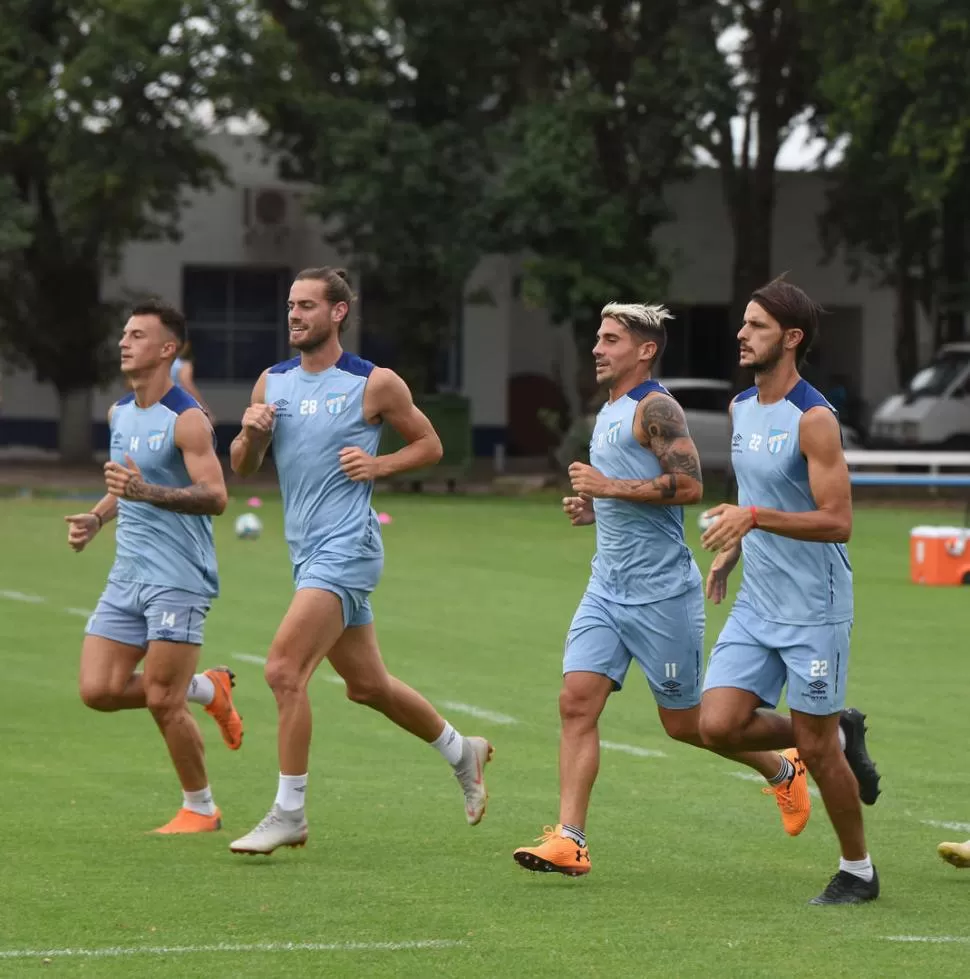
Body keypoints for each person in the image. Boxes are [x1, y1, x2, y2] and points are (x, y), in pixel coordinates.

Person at [513, 302, 813, 878]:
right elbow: (629, 495)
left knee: (686, 725)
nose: (598, 348)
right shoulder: (608, 409)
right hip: (606, 587)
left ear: (645, 350)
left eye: (611, 340)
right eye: (598, 338)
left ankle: (791, 759)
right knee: (576, 701)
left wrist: (608, 485)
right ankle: (570, 840)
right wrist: (596, 507)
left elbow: (690, 484)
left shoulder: (657, 406)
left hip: (660, 595)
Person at [227, 267, 492, 855]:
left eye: (307, 306)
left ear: (338, 313)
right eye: (290, 306)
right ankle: (461, 751)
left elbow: (431, 445)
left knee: (282, 670)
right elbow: (243, 467)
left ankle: (289, 813)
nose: (294, 315)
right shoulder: (271, 383)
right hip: (306, 552)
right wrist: (250, 435)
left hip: (348, 549)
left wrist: (380, 466)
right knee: (367, 687)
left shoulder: (374, 384)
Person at [698, 276, 882, 905]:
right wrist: (734, 547)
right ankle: (833, 732)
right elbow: (761, 499)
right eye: (744, 323)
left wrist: (750, 520)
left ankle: (858, 870)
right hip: (758, 602)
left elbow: (838, 523)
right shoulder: (741, 407)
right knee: (716, 725)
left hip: (815, 610)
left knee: (811, 745)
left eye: (757, 326)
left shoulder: (815, 420)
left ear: (792, 338)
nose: (742, 335)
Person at [65, 299, 242, 834]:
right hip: (127, 575)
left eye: (138, 335)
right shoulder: (120, 413)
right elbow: (124, 482)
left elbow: (215, 497)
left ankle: (201, 809)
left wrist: (149, 492)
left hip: (178, 578)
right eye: (124, 333)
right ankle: (209, 689)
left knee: (164, 699)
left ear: (168, 349)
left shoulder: (187, 419)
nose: (125, 342)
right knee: (98, 690)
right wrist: (99, 517)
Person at [170, 343, 214, 421]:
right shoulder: (184, 364)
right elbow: (187, 385)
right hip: (179, 405)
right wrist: (203, 408)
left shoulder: (165, 363)